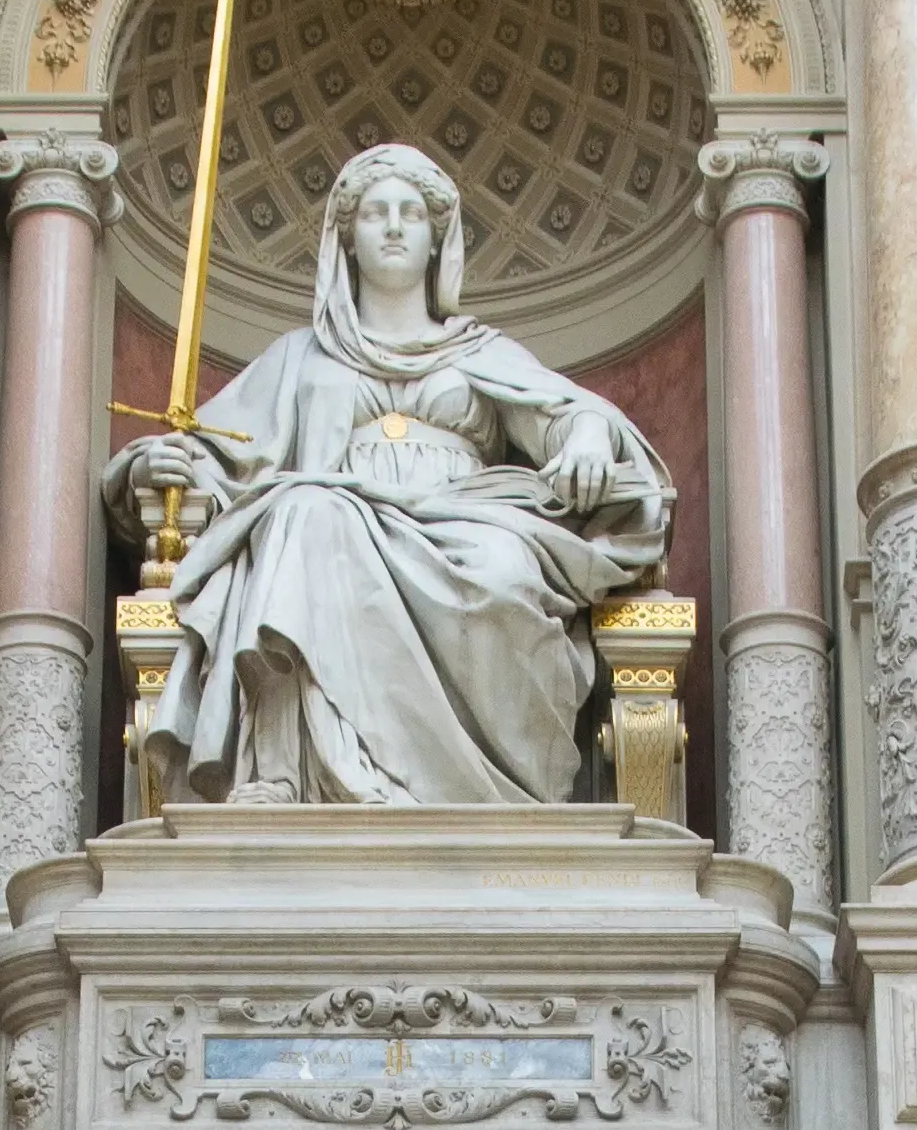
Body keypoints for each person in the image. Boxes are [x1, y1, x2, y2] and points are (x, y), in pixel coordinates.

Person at [115, 141, 672, 810]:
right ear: (347, 241)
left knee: (501, 570)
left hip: (468, 519)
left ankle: (487, 788)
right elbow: (219, 451)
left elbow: (563, 419)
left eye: (412, 212)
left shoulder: (481, 352)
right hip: (334, 523)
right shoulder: (300, 357)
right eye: (376, 212)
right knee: (303, 512)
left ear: (439, 240)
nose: (395, 226)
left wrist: (585, 433)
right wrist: (162, 463)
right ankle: (287, 772)